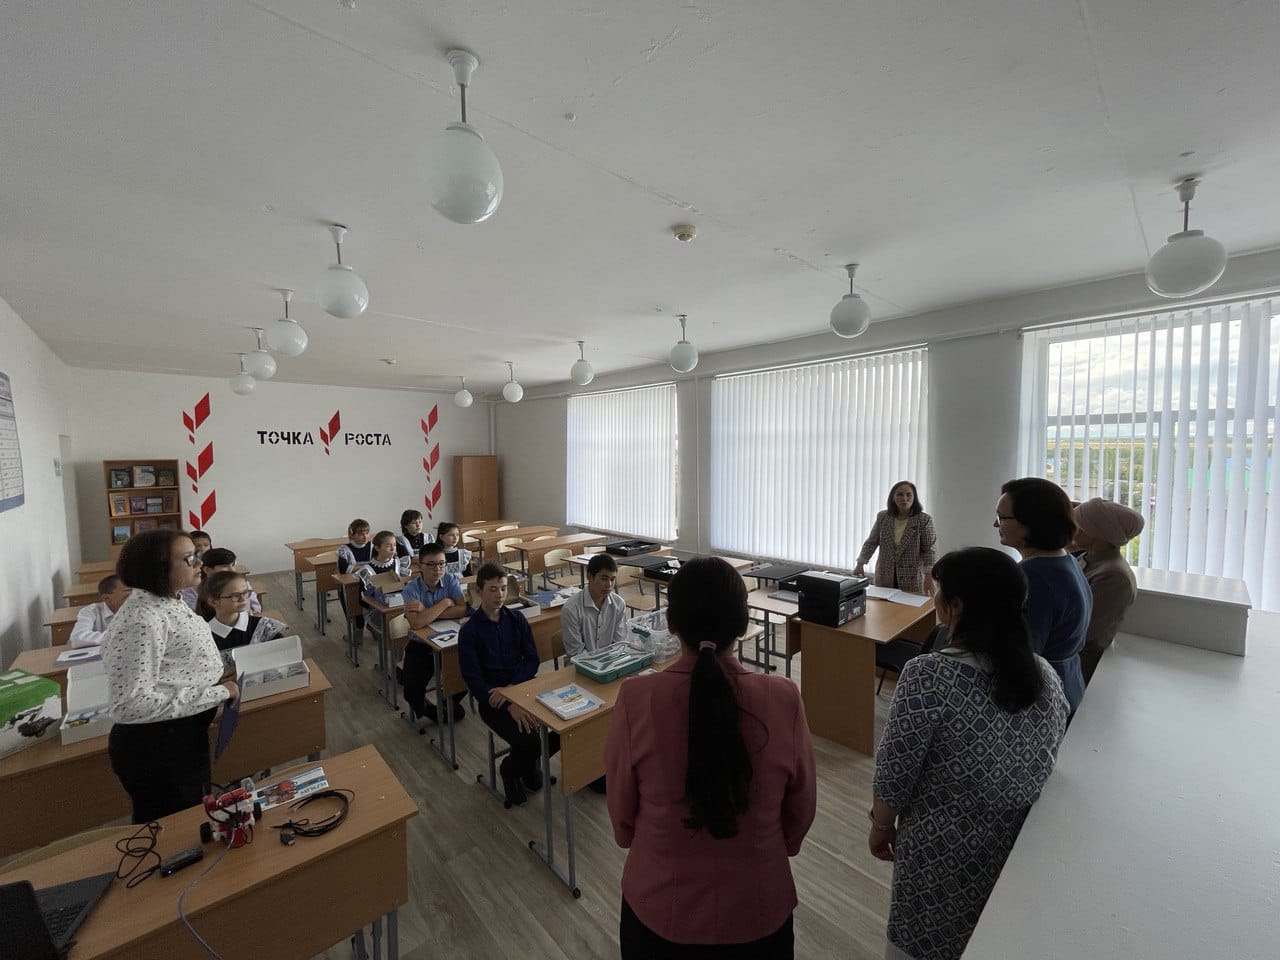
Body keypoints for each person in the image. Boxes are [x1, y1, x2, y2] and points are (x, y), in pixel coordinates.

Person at [605, 557, 817, 958]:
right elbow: (800, 810)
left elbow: (621, 813)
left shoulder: (636, 698)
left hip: (659, 909)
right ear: (743, 625)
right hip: (759, 909)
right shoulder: (784, 697)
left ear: (670, 622)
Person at [870, 547, 1069, 960]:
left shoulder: (928, 676)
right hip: (1013, 849)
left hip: (939, 853)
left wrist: (881, 824)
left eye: (939, 591)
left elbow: (895, 770)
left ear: (956, 605)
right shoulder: (1045, 676)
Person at [102, 530, 237, 823]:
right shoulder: (142, 619)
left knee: (192, 819)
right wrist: (219, 692)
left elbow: (173, 671)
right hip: (158, 746)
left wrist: (207, 694)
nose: (199, 563)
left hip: (180, 733)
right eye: (189, 558)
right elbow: (131, 704)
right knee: (175, 830)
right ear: (157, 568)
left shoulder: (167, 601)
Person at [458, 562, 559, 807]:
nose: (499, 595)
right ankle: (510, 769)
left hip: (521, 687)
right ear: (479, 592)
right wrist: (508, 702)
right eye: (493, 589)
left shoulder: (516, 619)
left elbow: (532, 660)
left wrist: (513, 691)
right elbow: (473, 678)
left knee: (562, 727)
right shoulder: (470, 631)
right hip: (492, 700)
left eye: (503, 588)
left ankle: (528, 767)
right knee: (529, 741)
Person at [994, 478, 1090, 713]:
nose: (995, 524)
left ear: (1031, 524)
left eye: (1002, 518)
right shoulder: (1066, 560)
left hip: (1041, 699)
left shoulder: (1033, 577)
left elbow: (1021, 657)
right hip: (1068, 684)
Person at [1072, 498, 1144, 683]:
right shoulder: (1086, 558)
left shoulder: (1114, 576)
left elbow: (1084, 631)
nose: (1072, 529)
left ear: (1096, 533)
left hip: (1079, 668)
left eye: (1078, 525)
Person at [401, 541, 469, 722]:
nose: (437, 569)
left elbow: (463, 609)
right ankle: (430, 711)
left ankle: (449, 703)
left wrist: (427, 612)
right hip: (421, 644)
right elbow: (416, 623)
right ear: (420, 566)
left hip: (450, 640)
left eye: (441, 564)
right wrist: (446, 603)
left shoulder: (450, 579)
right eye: (431, 565)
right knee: (411, 690)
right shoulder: (411, 589)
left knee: (467, 672)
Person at [855, 481, 938, 595]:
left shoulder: (924, 520)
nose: (905, 498)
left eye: (909, 495)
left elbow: (929, 550)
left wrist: (929, 577)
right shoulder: (883, 517)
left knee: (909, 606)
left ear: (914, 498)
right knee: (882, 605)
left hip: (912, 577)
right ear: (893, 498)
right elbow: (871, 542)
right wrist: (860, 564)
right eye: (900, 494)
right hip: (885, 575)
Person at [198, 570, 288, 668]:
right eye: (235, 596)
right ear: (214, 602)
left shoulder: (265, 627)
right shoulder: (202, 636)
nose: (243, 599)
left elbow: (285, 660)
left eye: (245, 593)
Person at [560, 553, 628, 661]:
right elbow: (576, 653)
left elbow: (619, 643)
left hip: (610, 661)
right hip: (580, 665)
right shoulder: (571, 609)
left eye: (612, 579)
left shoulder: (619, 604)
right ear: (589, 576)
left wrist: (608, 661)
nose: (609, 585)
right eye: (604, 579)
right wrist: (599, 664)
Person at [69, 574, 131, 648]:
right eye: (127, 590)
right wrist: (120, 637)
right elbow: (78, 639)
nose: (134, 594)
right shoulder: (91, 611)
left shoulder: (139, 609)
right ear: (106, 598)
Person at [336, 518, 374, 635]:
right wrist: (366, 566)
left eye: (366, 533)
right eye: (360, 534)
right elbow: (343, 570)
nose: (365, 536)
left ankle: (372, 626)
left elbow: (377, 563)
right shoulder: (344, 549)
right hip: (351, 586)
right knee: (356, 612)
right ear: (352, 535)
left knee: (373, 608)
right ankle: (357, 632)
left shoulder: (372, 546)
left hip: (369, 584)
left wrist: (355, 567)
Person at [198, 547, 262, 614]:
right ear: (207, 570)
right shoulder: (200, 590)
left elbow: (256, 607)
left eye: (233, 565)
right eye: (225, 566)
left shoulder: (241, 583)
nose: (232, 570)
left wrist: (251, 609)